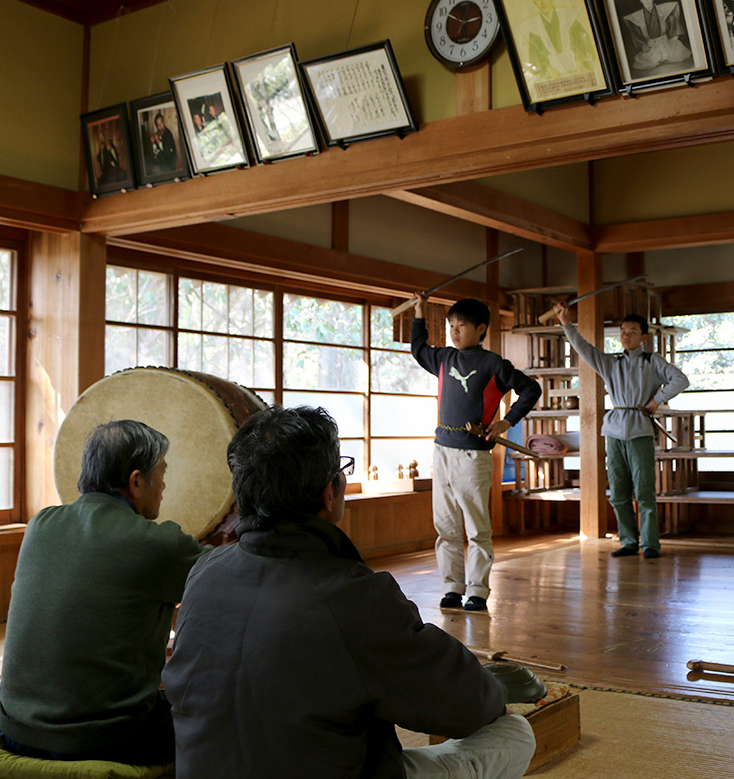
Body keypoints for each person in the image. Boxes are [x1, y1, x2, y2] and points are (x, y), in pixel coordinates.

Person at [162, 406, 535, 779]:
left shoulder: (204, 572)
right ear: (329, 493)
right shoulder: (351, 595)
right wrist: (494, 699)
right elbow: (459, 703)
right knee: (515, 733)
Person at [0, 420, 207, 764]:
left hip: (15, 729)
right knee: (224, 714)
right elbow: (233, 574)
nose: (165, 485)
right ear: (136, 481)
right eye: (163, 472)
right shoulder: (156, 543)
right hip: (103, 739)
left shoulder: (41, 524)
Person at [411, 297, 541, 612]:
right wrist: (418, 313)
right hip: (442, 450)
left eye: (462, 326)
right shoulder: (443, 358)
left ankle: (478, 590)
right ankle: (452, 587)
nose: (454, 332)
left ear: (480, 329)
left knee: (476, 526)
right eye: (451, 326)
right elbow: (418, 349)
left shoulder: (493, 364)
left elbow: (531, 389)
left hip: (473, 457)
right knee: (445, 525)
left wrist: (506, 422)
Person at [552, 306, 689, 559]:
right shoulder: (611, 363)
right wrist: (566, 324)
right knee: (618, 490)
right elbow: (583, 348)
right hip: (614, 429)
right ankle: (628, 541)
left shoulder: (652, 361)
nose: (626, 336)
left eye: (633, 332)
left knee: (644, 489)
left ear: (644, 337)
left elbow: (681, 379)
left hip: (639, 429)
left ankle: (650, 544)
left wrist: (657, 400)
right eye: (623, 332)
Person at [523, 0, 599, 80]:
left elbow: (582, 43)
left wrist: (580, 60)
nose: (543, 2)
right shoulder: (533, 27)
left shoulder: (570, 16)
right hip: (553, 74)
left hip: (577, 68)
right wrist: (548, 68)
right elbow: (536, 53)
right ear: (535, 3)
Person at [623, 0, 691, 73]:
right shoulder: (638, 16)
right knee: (644, 63)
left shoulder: (663, 9)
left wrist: (674, 37)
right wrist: (643, 45)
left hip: (666, 42)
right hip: (651, 45)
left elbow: (672, 19)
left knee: (680, 54)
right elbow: (635, 32)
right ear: (641, 0)